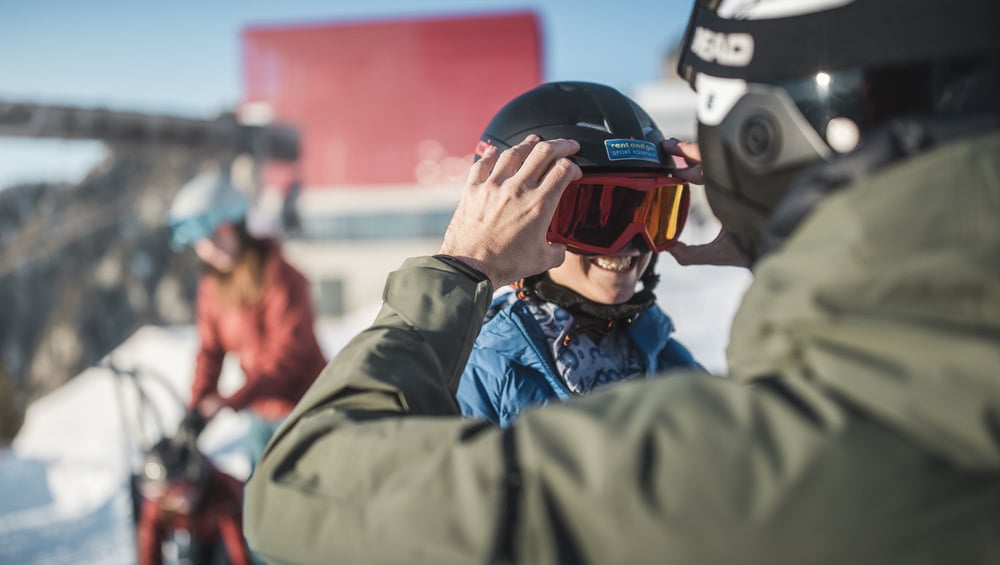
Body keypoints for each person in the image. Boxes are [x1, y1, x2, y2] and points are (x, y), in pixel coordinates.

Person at [244, 1, 1000, 562]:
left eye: (657, 210)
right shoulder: (478, 368)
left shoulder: (679, 374)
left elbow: (308, 490)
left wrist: (458, 267)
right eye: (600, 213)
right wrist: (788, 228)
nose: (635, 245)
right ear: (527, 222)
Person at [456, 82, 703, 426]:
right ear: (520, 226)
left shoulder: (665, 357)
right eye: (593, 218)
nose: (631, 243)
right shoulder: (482, 371)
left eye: (649, 213)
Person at [166, 169, 326, 470]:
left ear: (237, 228)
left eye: (217, 235)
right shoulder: (213, 287)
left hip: (306, 411)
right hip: (260, 415)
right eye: (200, 242)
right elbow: (210, 350)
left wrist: (231, 401)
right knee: (256, 503)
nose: (210, 248)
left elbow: (289, 357)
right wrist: (197, 407)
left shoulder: (281, 277)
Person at [136, 419, 251, 565]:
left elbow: (239, 550)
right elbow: (149, 546)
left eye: (180, 488)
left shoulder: (222, 493)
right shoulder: (158, 505)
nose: (175, 499)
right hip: (198, 534)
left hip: (235, 530)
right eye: (165, 493)